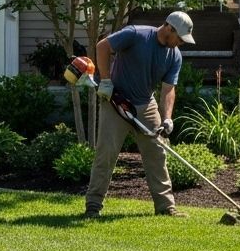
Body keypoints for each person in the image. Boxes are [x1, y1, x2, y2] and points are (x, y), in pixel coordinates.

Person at [83, 11, 195, 219]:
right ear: (169, 28)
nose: (180, 43)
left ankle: (165, 207)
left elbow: (168, 89)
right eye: (179, 38)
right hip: (116, 101)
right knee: (106, 153)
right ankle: (93, 206)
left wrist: (167, 118)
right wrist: (106, 81)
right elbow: (102, 47)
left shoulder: (174, 55)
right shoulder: (136, 34)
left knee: (157, 153)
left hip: (146, 104)